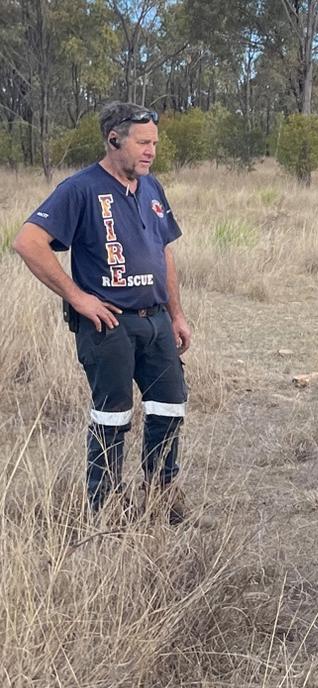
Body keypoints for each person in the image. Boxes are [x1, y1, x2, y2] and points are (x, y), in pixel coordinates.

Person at [13, 102, 190, 520]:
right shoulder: (80, 188)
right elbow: (28, 242)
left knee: (170, 406)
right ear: (114, 140)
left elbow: (163, 252)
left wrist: (177, 314)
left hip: (156, 320)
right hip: (108, 327)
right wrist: (78, 297)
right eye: (143, 142)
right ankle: (106, 508)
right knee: (112, 416)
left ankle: (162, 500)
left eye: (155, 143)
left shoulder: (151, 187)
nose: (151, 151)